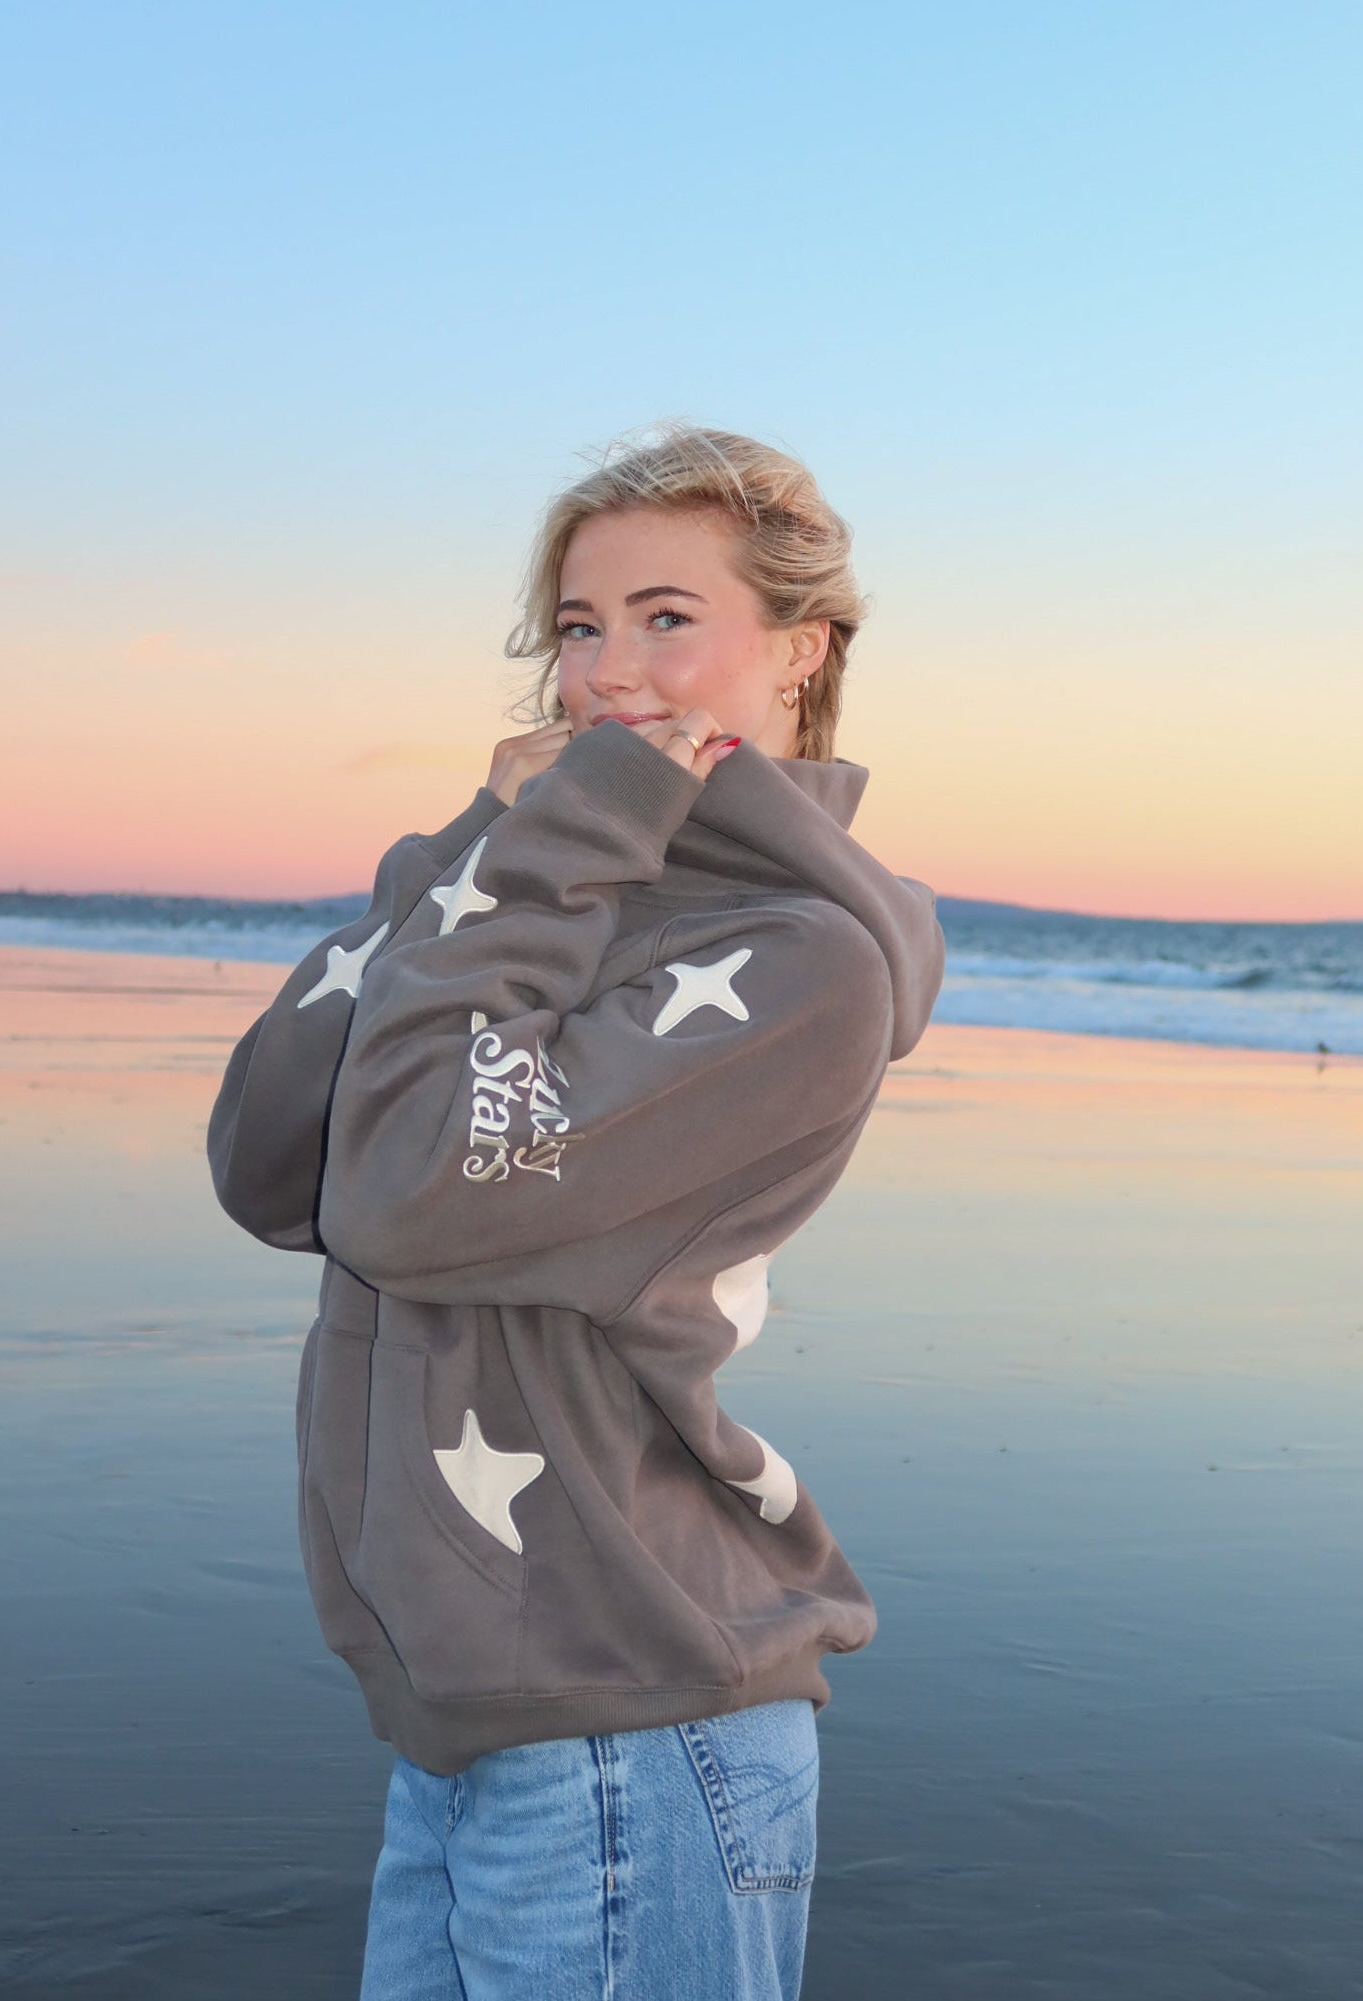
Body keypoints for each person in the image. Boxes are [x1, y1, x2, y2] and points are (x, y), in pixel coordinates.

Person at [207, 421, 946, 1999]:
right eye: (579, 626)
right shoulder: (550, 883)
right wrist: (480, 854)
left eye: (668, 618)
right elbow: (273, 1159)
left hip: (636, 1728)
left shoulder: (798, 962)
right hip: (471, 1725)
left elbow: (403, 1192)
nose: (608, 671)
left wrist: (543, 855)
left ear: (802, 649)